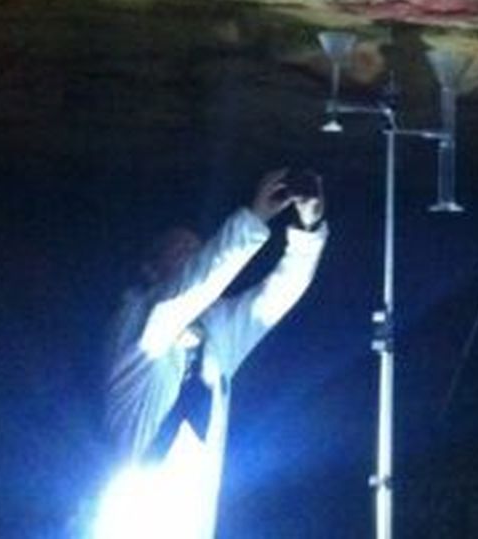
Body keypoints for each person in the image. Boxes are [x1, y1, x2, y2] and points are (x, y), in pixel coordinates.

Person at [94, 169, 328, 539]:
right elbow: (193, 286)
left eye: (198, 252)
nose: (195, 259)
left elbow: (277, 295)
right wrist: (255, 217)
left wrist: (309, 228)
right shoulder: (138, 325)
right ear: (150, 269)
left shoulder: (215, 333)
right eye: (182, 253)